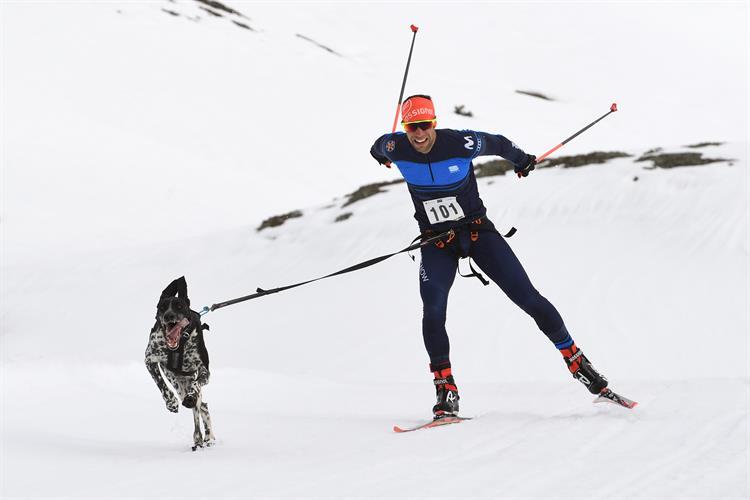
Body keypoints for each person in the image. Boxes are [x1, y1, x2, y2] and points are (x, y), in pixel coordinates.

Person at [370, 94, 609, 419]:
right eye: (413, 127)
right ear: (405, 127)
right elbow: (377, 146)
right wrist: (382, 156)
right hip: (436, 242)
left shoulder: (459, 143)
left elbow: (498, 143)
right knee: (433, 308)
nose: (420, 134)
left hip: (477, 233)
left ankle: (578, 362)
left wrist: (522, 160)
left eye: (425, 125)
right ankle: (446, 389)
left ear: (434, 123)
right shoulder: (396, 146)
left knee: (528, 297)